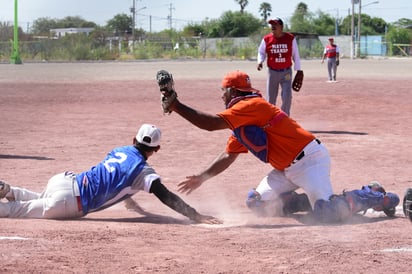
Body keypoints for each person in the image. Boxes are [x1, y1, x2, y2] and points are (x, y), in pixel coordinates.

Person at [156, 69, 342, 222]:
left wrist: (176, 105)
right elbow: (229, 155)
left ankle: (369, 195)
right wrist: (202, 177)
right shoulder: (245, 118)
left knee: (328, 213)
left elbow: (210, 124)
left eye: (223, 91)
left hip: (310, 161)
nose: (222, 96)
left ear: (233, 91)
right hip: (285, 170)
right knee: (258, 203)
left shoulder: (250, 106)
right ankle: (307, 202)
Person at [0, 124, 221, 224]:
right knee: (17, 211)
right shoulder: (144, 172)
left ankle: (9, 190)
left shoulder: (120, 150)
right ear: (157, 149)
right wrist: (195, 215)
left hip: (65, 180)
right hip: (71, 201)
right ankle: (8, 196)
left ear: (133, 140)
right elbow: (165, 196)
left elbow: (117, 179)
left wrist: (132, 205)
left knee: (38, 198)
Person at [257, 17, 303, 116]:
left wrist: (298, 69)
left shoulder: (290, 38)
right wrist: (260, 61)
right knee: (270, 98)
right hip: (272, 72)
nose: (273, 26)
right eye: (271, 24)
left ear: (281, 27)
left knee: (287, 97)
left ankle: (284, 118)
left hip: (286, 73)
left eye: (275, 24)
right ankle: (270, 119)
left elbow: (296, 54)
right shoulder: (267, 39)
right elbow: (261, 52)